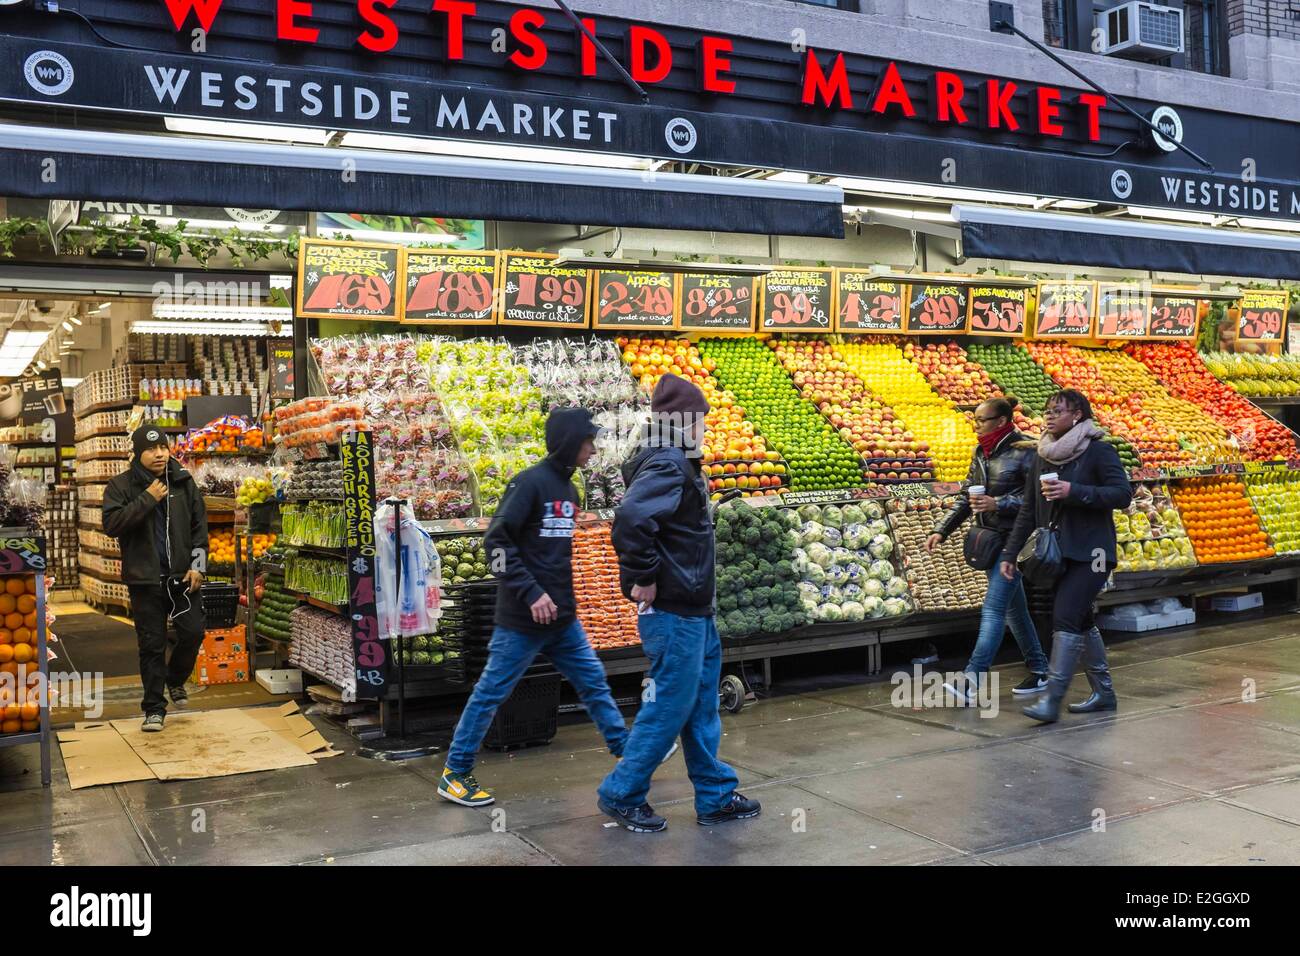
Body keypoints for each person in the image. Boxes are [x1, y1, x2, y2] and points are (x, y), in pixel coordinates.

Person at [438, 407, 631, 807]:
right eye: (587, 442)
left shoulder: (570, 490)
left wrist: (560, 600)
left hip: (562, 618)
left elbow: (553, 554)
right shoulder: (528, 485)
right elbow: (495, 543)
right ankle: (455, 773)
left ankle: (628, 752)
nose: (593, 450)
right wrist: (532, 593)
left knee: (594, 682)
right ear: (568, 443)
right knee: (491, 693)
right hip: (521, 620)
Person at [597, 373, 760, 833]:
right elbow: (631, 520)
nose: (704, 428)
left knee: (701, 704)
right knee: (669, 704)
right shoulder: (668, 462)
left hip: (693, 608)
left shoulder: (676, 461)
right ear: (685, 420)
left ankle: (715, 795)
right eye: (701, 419)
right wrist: (642, 577)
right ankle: (622, 792)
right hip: (674, 609)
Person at [1000, 390, 1133, 723]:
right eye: (1047, 410)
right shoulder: (1042, 456)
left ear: (1077, 415)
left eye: (1057, 410)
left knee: (1065, 615)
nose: (1049, 415)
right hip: (1057, 554)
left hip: (1095, 552)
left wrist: (1074, 492)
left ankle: (1052, 699)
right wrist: (1010, 552)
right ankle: (1104, 693)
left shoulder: (1100, 452)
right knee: (1081, 619)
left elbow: (1122, 495)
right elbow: (1029, 510)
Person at [926, 397, 1049, 702]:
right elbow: (967, 495)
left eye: (982, 420)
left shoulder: (1029, 451)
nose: (976, 425)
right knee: (1014, 609)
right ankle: (1040, 670)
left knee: (994, 609)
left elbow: (1041, 499)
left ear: (1003, 421)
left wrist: (999, 503)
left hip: (1017, 541)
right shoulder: (981, 451)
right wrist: (942, 528)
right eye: (976, 419)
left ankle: (971, 680)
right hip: (992, 539)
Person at [102, 425, 207, 733]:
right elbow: (112, 524)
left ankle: (174, 680)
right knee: (152, 645)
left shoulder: (183, 482)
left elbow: (199, 528)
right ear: (137, 453)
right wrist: (148, 498)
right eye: (151, 449)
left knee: (193, 633)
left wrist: (198, 565)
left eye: (163, 446)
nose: (160, 453)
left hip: (183, 578)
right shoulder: (120, 486)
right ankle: (154, 709)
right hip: (145, 580)